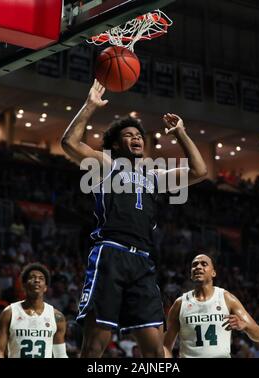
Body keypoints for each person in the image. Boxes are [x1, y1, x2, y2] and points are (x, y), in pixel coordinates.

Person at [61, 79, 207, 358]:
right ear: (116, 144)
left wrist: (181, 134)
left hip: (142, 261)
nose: (137, 137)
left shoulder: (154, 177)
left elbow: (199, 171)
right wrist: (90, 105)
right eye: (129, 135)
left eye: (139, 135)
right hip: (110, 253)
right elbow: (68, 142)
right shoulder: (106, 165)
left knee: (156, 351)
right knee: (94, 347)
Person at [163, 254, 259, 358]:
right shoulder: (180, 304)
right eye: (195, 265)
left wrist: (245, 326)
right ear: (191, 274)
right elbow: (166, 346)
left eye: (204, 264)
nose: (198, 267)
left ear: (213, 272)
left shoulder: (226, 298)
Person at [0, 263, 68, 358]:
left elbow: (60, 355)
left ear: (45, 288)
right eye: (32, 277)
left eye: (41, 278)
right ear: (24, 285)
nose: (37, 280)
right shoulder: (9, 312)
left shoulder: (57, 316)